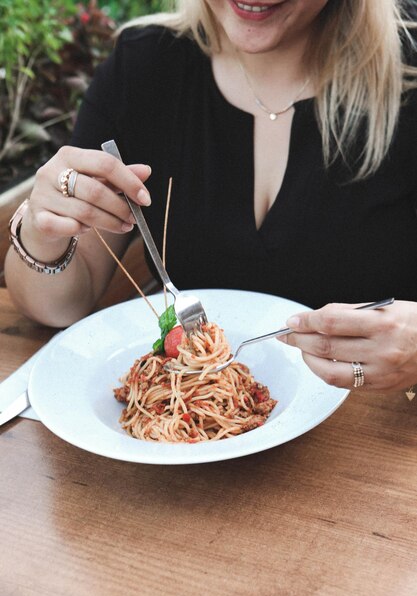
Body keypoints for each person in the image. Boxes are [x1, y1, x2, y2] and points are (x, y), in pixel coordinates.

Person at [5, 0, 417, 394]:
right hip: (178, 450)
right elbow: (58, 307)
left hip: (382, 440)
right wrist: (43, 232)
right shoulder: (144, 67)